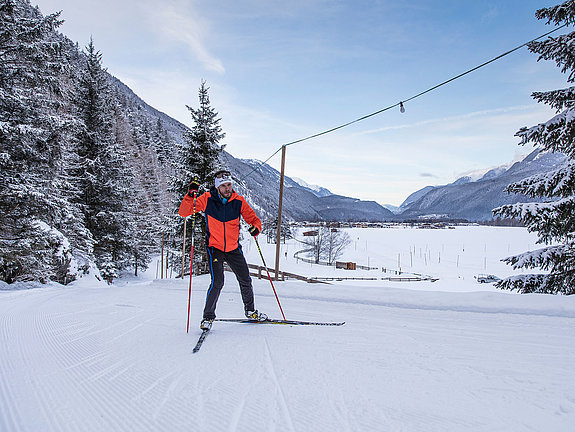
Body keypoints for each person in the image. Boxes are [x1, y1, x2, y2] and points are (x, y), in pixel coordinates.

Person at [179, 170, 267, 330]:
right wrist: (190, 195)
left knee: (245, 280)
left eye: (229, 185)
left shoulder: (238, 201)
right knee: (218, 282)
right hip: (215, 248)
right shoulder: (207, 199)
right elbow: (185, 212)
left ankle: (251, 311)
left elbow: (253, 219)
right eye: (224, 186)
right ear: (217, 187)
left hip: (233, 248)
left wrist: (256, 228)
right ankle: (208, 318)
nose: (227, 189)